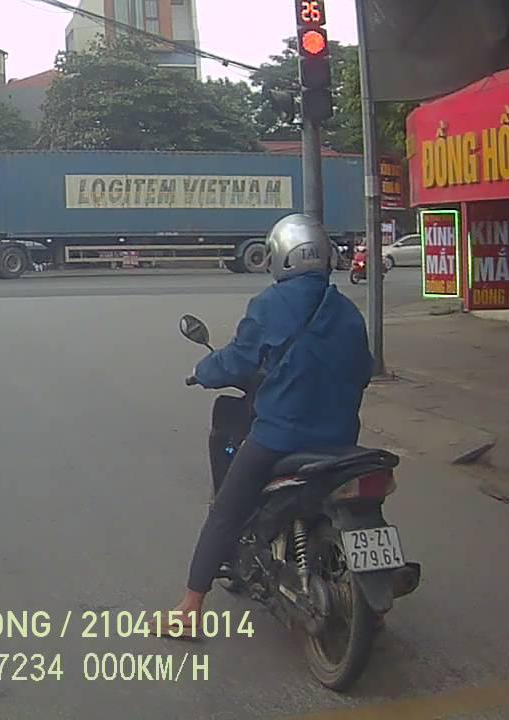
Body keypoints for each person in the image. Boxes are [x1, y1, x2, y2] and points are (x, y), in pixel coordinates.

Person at [160, 213, 374, 636]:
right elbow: (363, 370)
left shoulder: (271, 305)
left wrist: (203, 371)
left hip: (281, 438)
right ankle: (372, 605)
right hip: (341, 441)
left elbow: (238, 359)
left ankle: (188, 609)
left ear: (282, 257)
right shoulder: (348, 310)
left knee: (226, 511)